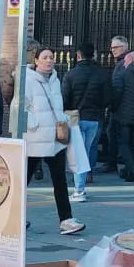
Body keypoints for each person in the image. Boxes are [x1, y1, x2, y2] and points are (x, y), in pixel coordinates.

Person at [24, 45, 83, 235]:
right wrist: (35, 124)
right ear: (36, 60)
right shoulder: (27, 80)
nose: (49, 60)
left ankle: (66, 219)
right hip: (35, 139)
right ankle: (13, 218)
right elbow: (22, 107)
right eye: (45, 57)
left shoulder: (56, 80)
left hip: (55, 139)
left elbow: (58, 106)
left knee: (60, 180)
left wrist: (63, 119)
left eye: (52, 57)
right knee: (22, 181)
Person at [63, 47, 111, 197]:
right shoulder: (102, 75)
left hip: (76, 118)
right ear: (94, 56)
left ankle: (79, 188)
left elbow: (65, 98)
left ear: (78, 56)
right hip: (95, 117)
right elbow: (108, 98)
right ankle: (88, 173)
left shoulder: (71, 75)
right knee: (90, 148)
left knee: (78, 152)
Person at [108, 35, 134, 182]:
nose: (112, 50)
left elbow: (117, 89)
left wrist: (113, 107)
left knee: (123, 142)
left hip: (123, 112)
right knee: (132, 142)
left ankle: (132, 169)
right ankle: (129, 171)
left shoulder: (122, 68)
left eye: (116, 47)